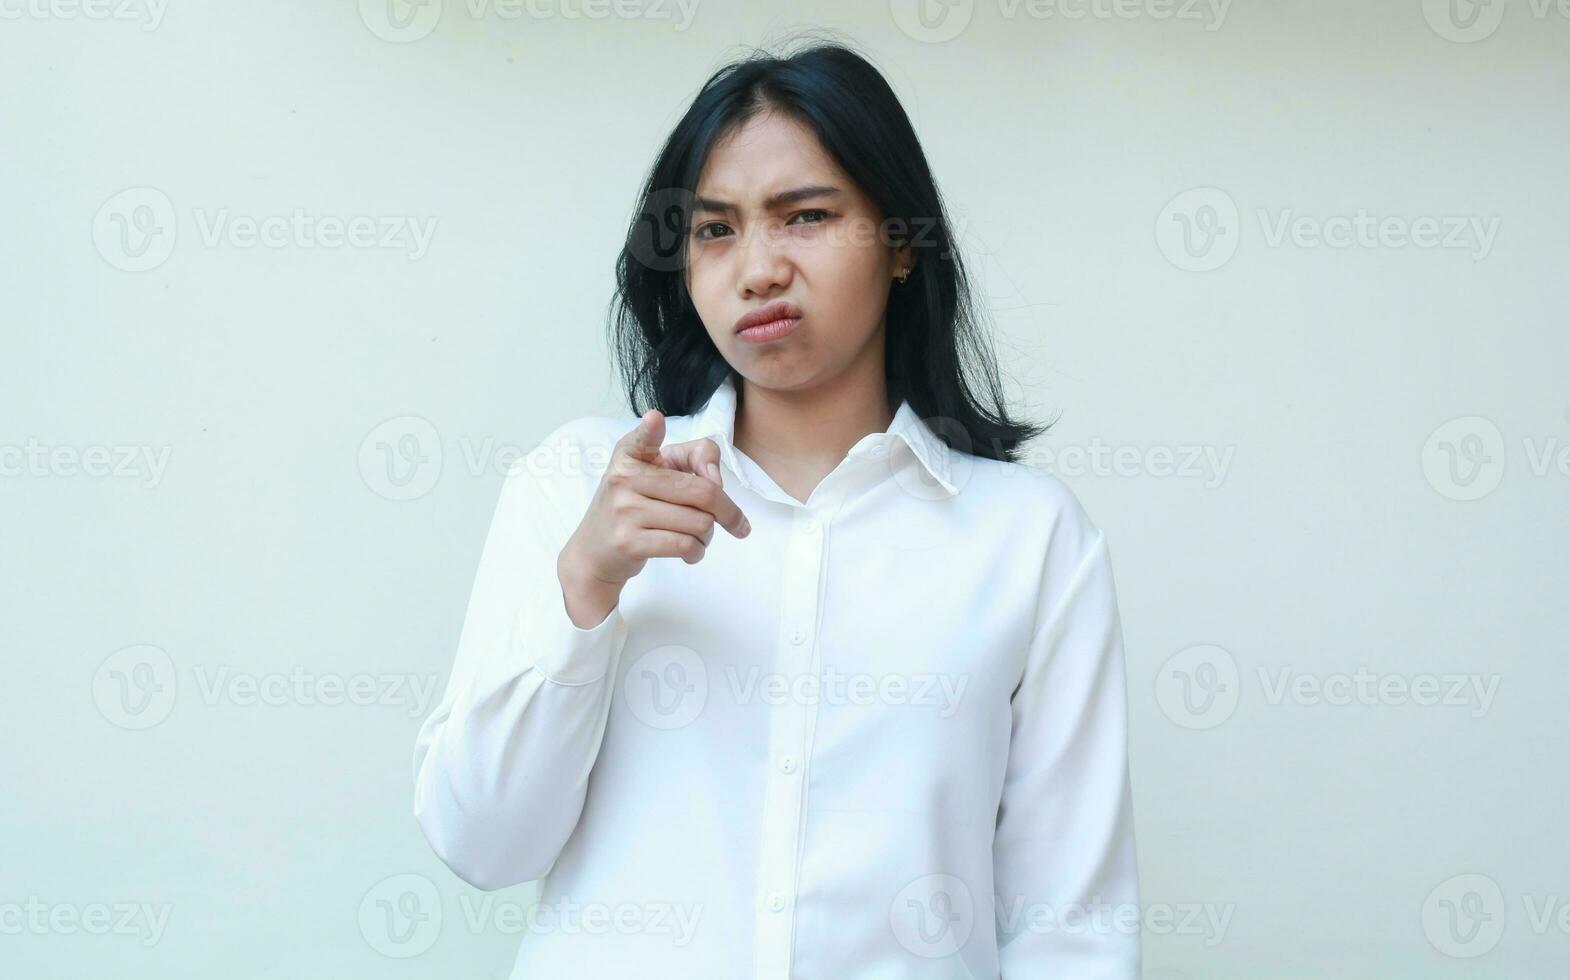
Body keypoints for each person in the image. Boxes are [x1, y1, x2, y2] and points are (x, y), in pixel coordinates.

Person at [412, 36, 1141, 979]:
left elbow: (1070, 925)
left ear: (903, 245)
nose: (756, 268)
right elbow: (481, 844)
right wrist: (586, 586)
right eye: (715, 231)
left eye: (803, 216)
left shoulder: (1030, 539)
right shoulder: (576, 489)